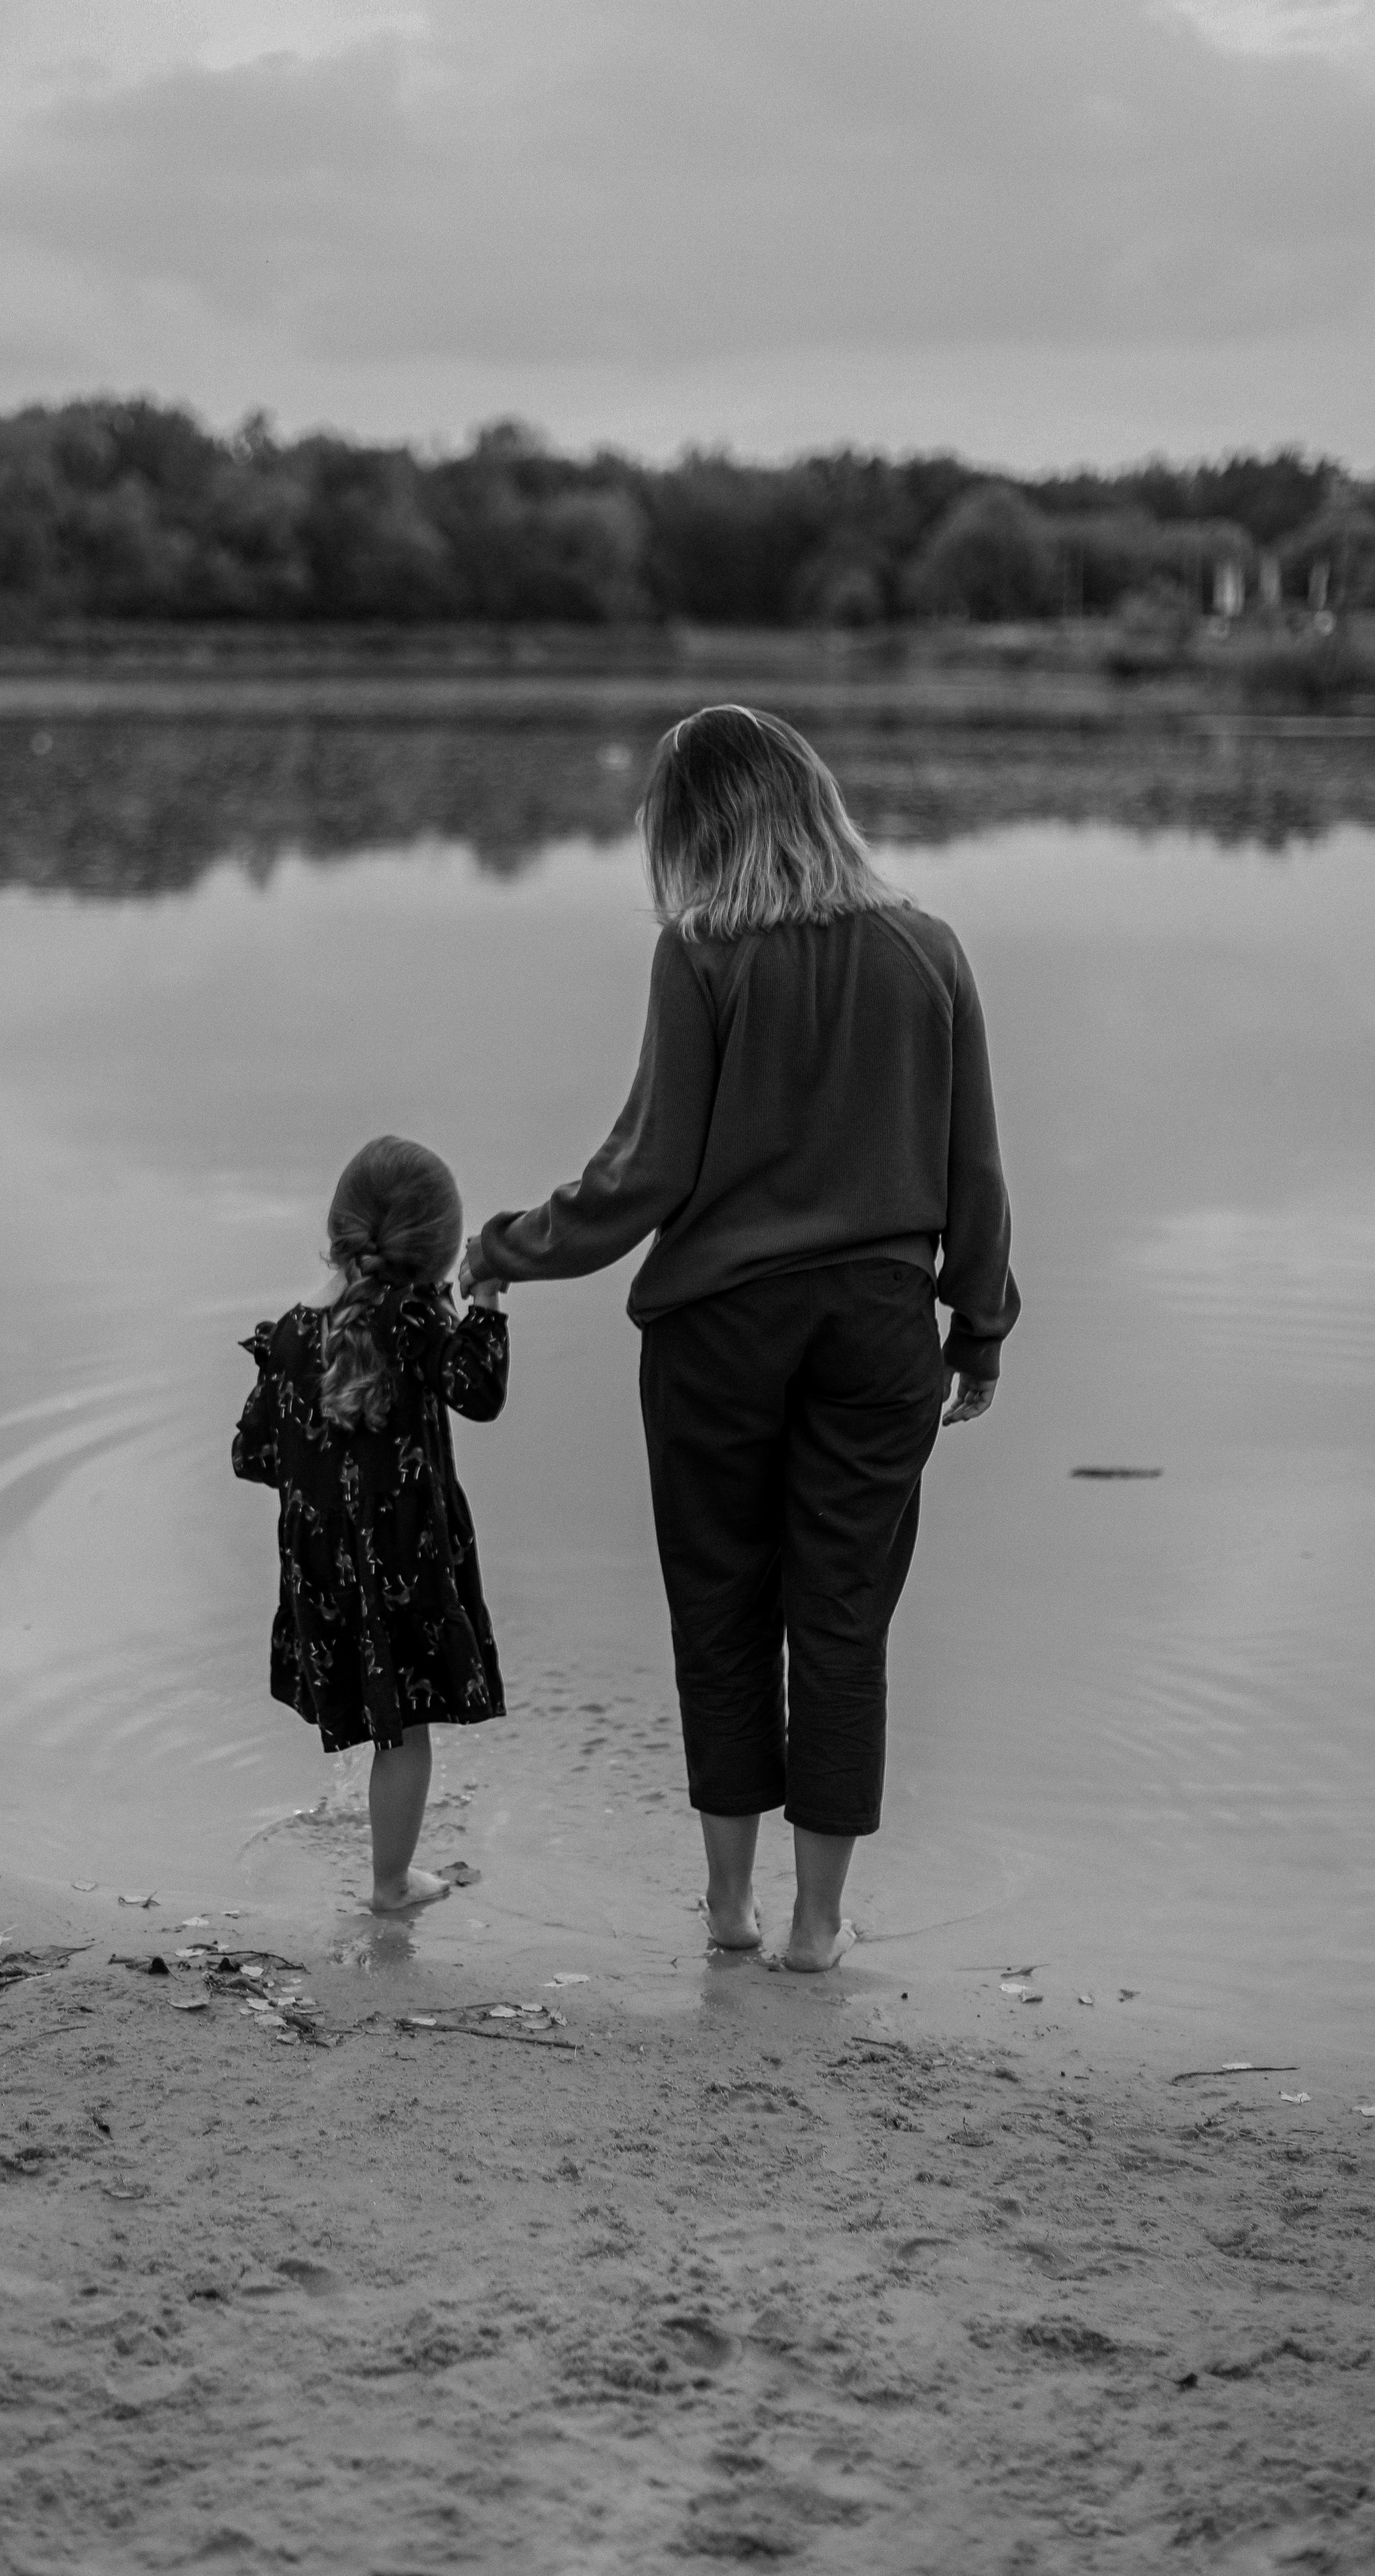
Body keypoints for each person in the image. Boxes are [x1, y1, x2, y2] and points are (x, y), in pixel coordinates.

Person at [460, 706, 1017, 1972]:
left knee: (721, 1610)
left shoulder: (700, 952)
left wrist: (504, 1248)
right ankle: (820, 1930)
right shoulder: (930, 948)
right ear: (814, 798)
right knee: (840, 1622)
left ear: (695, 829)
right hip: (881, 1332)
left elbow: (645, 1174)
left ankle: (729, 1912)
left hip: (718, 1335)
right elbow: (972, 1166)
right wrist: (979, 1328)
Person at [233, 1135, 509, 1915]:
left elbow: (251, 1456)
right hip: (405, 1559)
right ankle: (391, 1883)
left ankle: (380, 1866)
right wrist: (485, 1295)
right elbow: (478, 1392)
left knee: (378, 1720)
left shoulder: (287, 1335)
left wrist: (323, 1472)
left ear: (339, 1225)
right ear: (434, 1252)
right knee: (405, 1730)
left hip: (323, 1569)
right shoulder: (413, 1321)